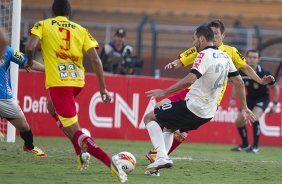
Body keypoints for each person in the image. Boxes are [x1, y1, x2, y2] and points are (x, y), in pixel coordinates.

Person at [145, 20, 274, 166]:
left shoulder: (228, 52)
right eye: (212, 33)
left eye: (216, 33)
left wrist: (259, 80)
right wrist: (176, 63)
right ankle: (160, 155)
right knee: (162, 113)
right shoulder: (214, 54)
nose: (214, 36)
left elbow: (245, 68)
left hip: (205, 99)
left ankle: (160, 155)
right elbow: (184, 58)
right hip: (196, 97)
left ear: (222, 35)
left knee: (156, 120)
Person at [25, 0, 127, 182]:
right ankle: (80, 152)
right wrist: (103, 88)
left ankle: (108, 160)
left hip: (59, 83)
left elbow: (30, 46)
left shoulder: (43, 24)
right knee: (51, 106)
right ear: (69, 14)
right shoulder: (81, 29)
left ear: (52, 12)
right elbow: (96, 60)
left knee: (75, 130)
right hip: (77, 82)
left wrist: (29, 61)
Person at [1, 43, 46, 157]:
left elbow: (28, 63)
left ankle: (29, 147)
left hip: (4, 99)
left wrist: (48, 70)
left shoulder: (8, 51)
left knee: (24, 127)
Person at [230, 49, 280, 153]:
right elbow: (237, 84)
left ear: (258, 60)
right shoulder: (242, 72)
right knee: (239, 122)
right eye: (250, 57)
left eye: (255, 57)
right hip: (249, 99)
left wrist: (275, 104)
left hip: (262, 98)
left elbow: (275, 88)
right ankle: (244, 145)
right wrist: (232, 98)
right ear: (246, 58)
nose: (252, 59)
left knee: (254, 118)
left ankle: (255, 147)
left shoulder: (264, 73)